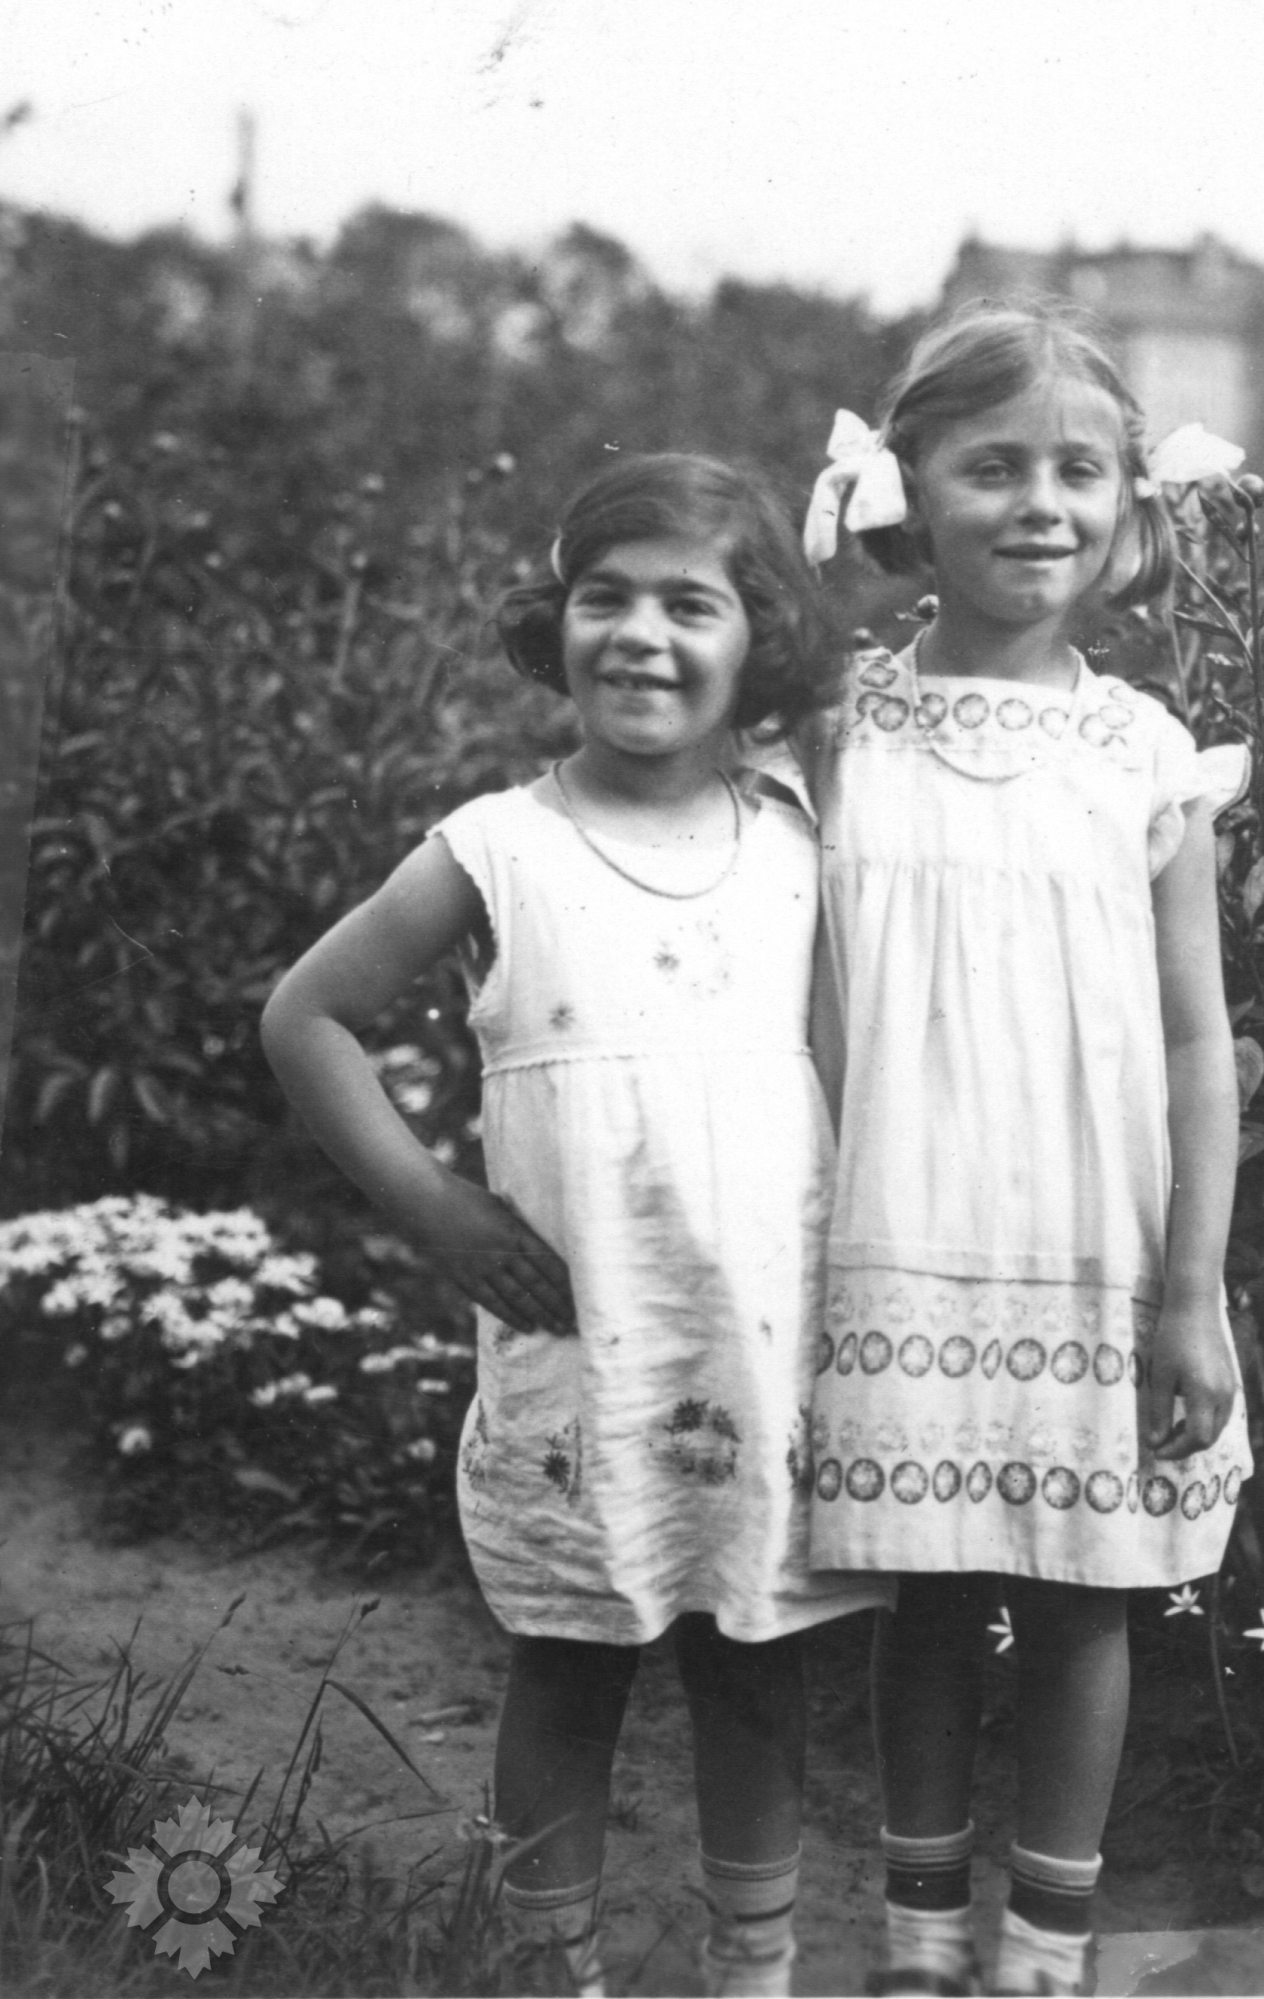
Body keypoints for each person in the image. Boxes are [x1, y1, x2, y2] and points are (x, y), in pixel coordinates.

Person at [261, 455, 889, 1999]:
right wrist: (434, 1207)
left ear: (758, 638)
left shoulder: (802, 836)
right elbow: (306, 1017)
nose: (642, 636)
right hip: (583, 1349)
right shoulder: (499, 847)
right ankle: (546, 1970)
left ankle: (756, 1969)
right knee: (569, 1658)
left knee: (757, 1666)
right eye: (605, 598)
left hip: (759, 1351)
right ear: (555, 624)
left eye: (692, 605)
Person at [800, 310, 1252, 1998]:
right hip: (892, 1222)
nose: (1040, 504)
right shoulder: (837, 730)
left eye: (1079, 470)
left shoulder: (1145, 755)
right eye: (993, 467)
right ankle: (919, 1941)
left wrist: (1192, 1291)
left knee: (1084, 1594)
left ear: (1130, 503)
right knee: (923, 1587)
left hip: (1093, 1238)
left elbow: (1196, 1043)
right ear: (906, 490)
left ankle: (1046, 1950)